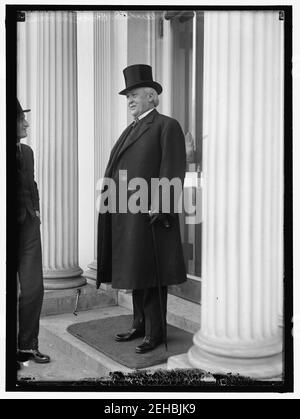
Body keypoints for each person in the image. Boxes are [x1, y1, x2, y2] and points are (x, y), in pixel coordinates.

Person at [96, 64, 187, 354]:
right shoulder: (131, 129)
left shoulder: (166, 125)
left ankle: (156, 333)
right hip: (126, 214)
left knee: (151, 275)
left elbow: (173, 168)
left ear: (152, 96)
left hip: (151, 216)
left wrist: (161, 205)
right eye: (127, 97)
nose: (130, 101)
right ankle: (139, 324)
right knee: (136, 272)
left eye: (134, 95)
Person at [16, 99, 50, 364]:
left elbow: (33, 185)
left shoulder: (27, 152)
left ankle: (27, 346)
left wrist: (36, 212)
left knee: (34, 289)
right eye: (20, 119)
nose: (25, 123)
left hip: (28, 228)